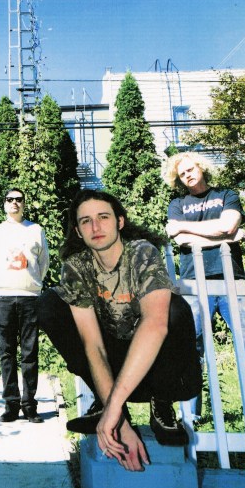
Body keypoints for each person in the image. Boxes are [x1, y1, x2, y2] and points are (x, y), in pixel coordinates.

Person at [37, 189, 202, 472]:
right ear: (77, 231)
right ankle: (105, 403)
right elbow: (93, 346)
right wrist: (120, 422)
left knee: (175, 308)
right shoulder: (76, 268)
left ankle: (161, 405)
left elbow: (156, 324)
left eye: (103, 217)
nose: (96, 227)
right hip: (115, 373)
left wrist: (112, 408)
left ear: (120, 222)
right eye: (86, 221)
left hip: (163, 371)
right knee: (49, 303)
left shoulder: (141, 253)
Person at [164, 151, 245, 421]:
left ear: (201, 168)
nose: (188, 174)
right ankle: (192, 414)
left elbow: (229, 224)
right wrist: (227, 237)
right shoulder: (177, 204)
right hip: (193, 284)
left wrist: (189, 229)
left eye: (191, 169)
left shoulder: (226, 195)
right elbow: (182, 242)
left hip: (232, 281)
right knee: (192, 351)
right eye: (182, 173)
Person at [0, 187, 49, 423]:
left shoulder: (35, 230)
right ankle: (11, 404)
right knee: (6, 352)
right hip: (3, 296)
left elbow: (44, 262)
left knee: (30, 352)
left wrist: (33, 284)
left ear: (24, 204)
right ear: (4, 204)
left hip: (29, 297)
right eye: (10, 199)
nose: (14, 203)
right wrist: (2, 283)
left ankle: (29, 405)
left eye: (19, 200)